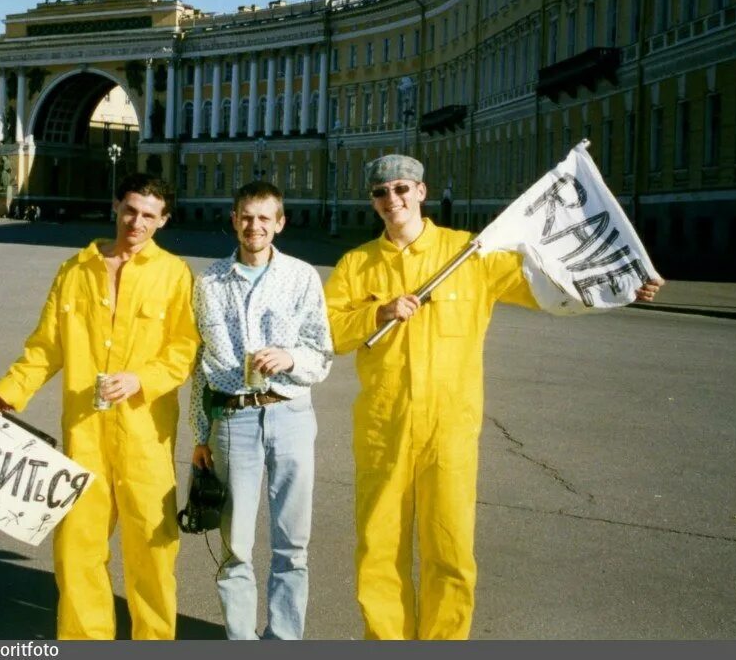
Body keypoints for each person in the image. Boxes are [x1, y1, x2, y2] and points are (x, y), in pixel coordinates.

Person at [324, 154, 661, 639]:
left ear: (421, 192)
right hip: (384, 427)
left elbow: (545, 284)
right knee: (379, 548)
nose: (392, 200)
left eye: (401, 188)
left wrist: (622, 284)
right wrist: (376, 314)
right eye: (381, 193)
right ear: (373, 202)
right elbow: (329, 332)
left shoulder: (469, 254)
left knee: (450, 549)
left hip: (451, 429)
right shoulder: (358, 264)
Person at [0, 173, 199, 640]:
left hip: (146, 437)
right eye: (130, 210)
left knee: (153, 551)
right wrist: (6, 392)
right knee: (77, 548)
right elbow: (46, 345)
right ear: (116, 206)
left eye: (148, 215)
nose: (136, 222)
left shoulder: (174, 274)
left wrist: (142, 379)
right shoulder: (75, 271)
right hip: (85, 434)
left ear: (163, 221)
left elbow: (184, 349)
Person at [189, 181, 333, 640]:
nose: (255, 226)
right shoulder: (208, 282)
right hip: (233, 420)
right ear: (234, 220)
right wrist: (199, 434)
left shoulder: (302, 276)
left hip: (289, 412)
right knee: (236, 545)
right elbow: (198, 366)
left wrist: (290, 358)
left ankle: (284, 639)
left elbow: (321, 350)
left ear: (280, 223)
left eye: (264, 218)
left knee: (293, 542)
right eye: (246, 217)